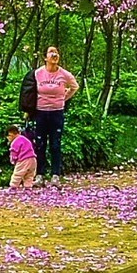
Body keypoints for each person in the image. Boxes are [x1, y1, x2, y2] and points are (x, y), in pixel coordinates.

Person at [31, 44, 79, 181]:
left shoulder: (64, 74)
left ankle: (55, 174)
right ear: (45, 57)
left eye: (56, 52)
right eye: (51, 52)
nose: (54, 55)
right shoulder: (38, 73)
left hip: (56, 112)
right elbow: (31, 91)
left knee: (55, 143)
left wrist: (64, 98)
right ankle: (39, 174)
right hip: (41, 112)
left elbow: (75, 87)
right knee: (40, 143)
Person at [6, 124, 37, 190]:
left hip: (23, 160)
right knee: (29, 174)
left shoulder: (15, 142)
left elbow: (14, 152)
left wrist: (13, 160)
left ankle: (13, 186)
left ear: (11, 134)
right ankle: (28, 186)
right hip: (33, 159)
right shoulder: (24, 139)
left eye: (8, 136)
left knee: (18, 173)